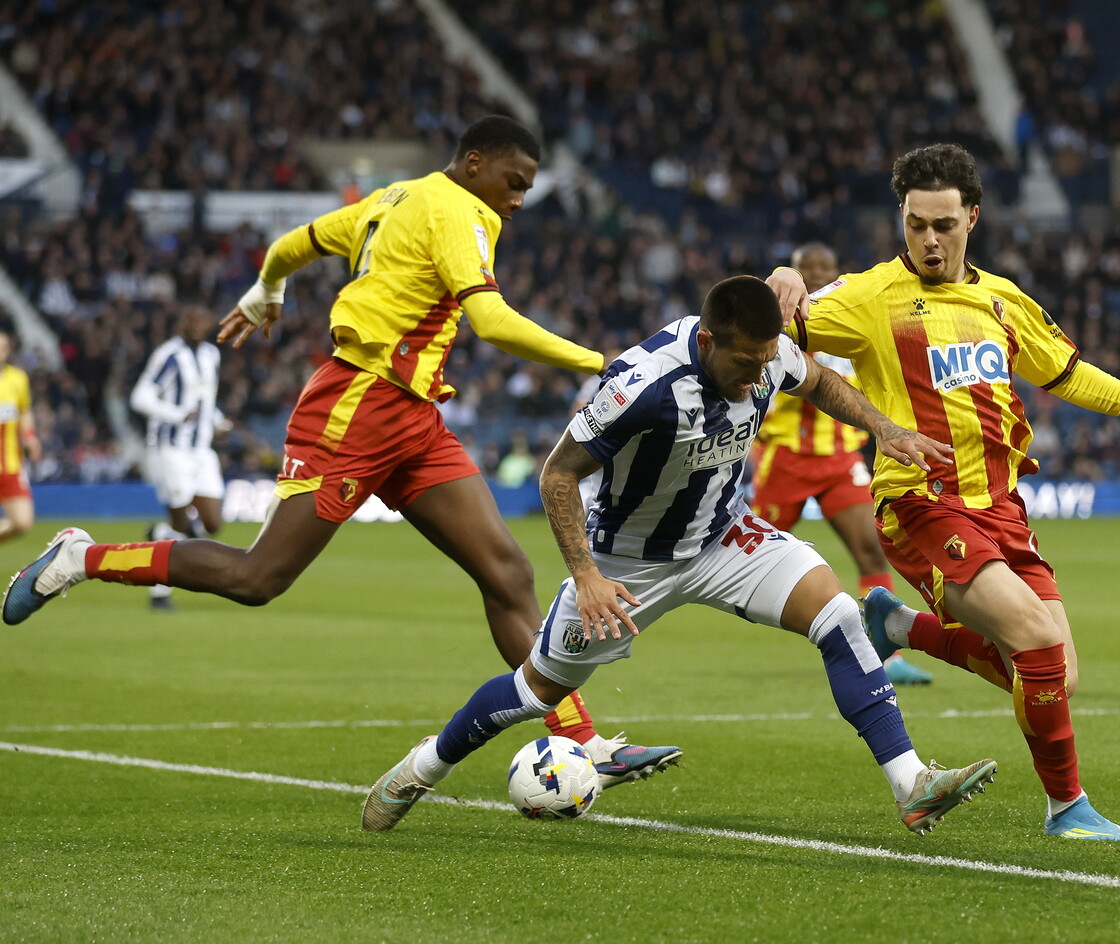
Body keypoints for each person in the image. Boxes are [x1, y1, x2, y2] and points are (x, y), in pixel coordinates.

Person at [3, 116, 678, 788]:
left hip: (412, 418)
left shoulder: (390, 198)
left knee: (507, 574)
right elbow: (492, 321)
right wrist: (601, 363)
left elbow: (294, 243)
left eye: (526, 188)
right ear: (475, 163)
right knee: (257, 578)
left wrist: (267, 288)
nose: (519, 199)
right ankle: (81, 557)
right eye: (514, 182)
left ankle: (583, 741)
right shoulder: (461, 211)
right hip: (355, 408)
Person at [360, 276, 998, 834]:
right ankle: (420, 769)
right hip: (626, 563)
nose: (756, 379)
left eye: (765, 363)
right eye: (744, 364)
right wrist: (585, 577)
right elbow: (557, 475)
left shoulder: (766, 354)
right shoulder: (642, 384)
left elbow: (820, 381)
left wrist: (884, 429)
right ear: (706, 342)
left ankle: (912, 784)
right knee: (534, 691)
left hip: (724, 536)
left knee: (837, 616)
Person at [781, 143, 1120, 840]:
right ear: (902, 219)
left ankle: (899, 628)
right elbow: (771, 322)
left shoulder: (1001, 299)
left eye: (943, 225)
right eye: (915, 224)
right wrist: (779, 275)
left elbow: (1071, 375)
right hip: (920, 506)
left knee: (1057, 676)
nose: (928, 240)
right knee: (1038, 646)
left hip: (1003, 510)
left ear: (972, 219)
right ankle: (1067, 808)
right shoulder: (869, 297)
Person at [752, 243, 932, 685]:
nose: (815, 273)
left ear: (836, 271)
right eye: (806, 268)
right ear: (793, 273)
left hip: (837, 459)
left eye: (824, 268)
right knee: (746, 554)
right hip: (786, 459)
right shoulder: (776, 327)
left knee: (870, 547)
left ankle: (883, 656)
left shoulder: (850, 320)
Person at [129, 305, 229, 610]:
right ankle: (159, 593)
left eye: (203, 320)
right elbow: (141, 397)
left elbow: (205, 399)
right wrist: (175, 415)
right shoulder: (169, 355)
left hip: (201, 449)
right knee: (183, 520)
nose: (198, 325)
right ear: (182, 322)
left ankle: (159, 535)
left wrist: (217, 420)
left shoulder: (212, 354)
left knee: (212, 523)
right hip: (171, 448)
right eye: (192, 319)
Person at [0, 327, 40, 544]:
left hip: (12, 463)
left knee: (22, 522)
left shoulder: (18, 378)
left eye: (2, 349)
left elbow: (25, 410)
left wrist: (31, 437)